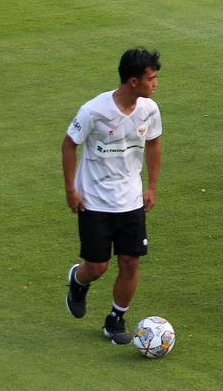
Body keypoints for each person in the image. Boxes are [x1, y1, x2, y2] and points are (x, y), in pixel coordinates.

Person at [63, 49, 163, 344]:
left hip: (131, 201)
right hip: (94, 201)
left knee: (130, 262)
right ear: (134, 81)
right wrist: (71, 189)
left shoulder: (149, 109)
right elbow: (69, 145)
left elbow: (154, 144)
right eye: (151, 78)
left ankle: (115, 319)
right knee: (97, 266)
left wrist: (151, 186)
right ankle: (78, 281)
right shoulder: (94, 111)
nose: (155, 83)